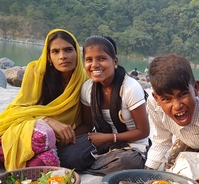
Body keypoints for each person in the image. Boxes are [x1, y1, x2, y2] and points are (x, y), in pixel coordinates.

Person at [0, 29, 87, 171]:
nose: (63, 56)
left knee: (45, 164)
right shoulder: (36, 71)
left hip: (56, 139)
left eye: (68, 50)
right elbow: (19, 108)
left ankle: (16, 158)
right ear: (48, 56)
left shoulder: (85, 81)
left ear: (77, 52)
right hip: (30, 129)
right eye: (55, 51)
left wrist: (66, 138)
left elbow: (86, 123)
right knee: (43, 134)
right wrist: (48, 120)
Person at [57, 36, 149, 175]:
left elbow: (143, 132)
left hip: (132, 145)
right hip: (102, 142)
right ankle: (98, 166)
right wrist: (67, 139)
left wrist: (110, 138)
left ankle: (91, 167)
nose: (94, 65)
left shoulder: (130, 88)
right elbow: (87, 125)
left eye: (101, 58)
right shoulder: (87, 88)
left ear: (115, 61)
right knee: (66, 155)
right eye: (89, 60)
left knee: (127, 162)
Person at [145, 53, 199, 170]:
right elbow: (161, 141)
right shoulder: (154, 105)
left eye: (183, 94)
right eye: (166, 99)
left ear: (196, 88)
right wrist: (146, 173)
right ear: (157, 98)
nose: (177, 106)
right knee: (171, 174)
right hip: (186, 142)